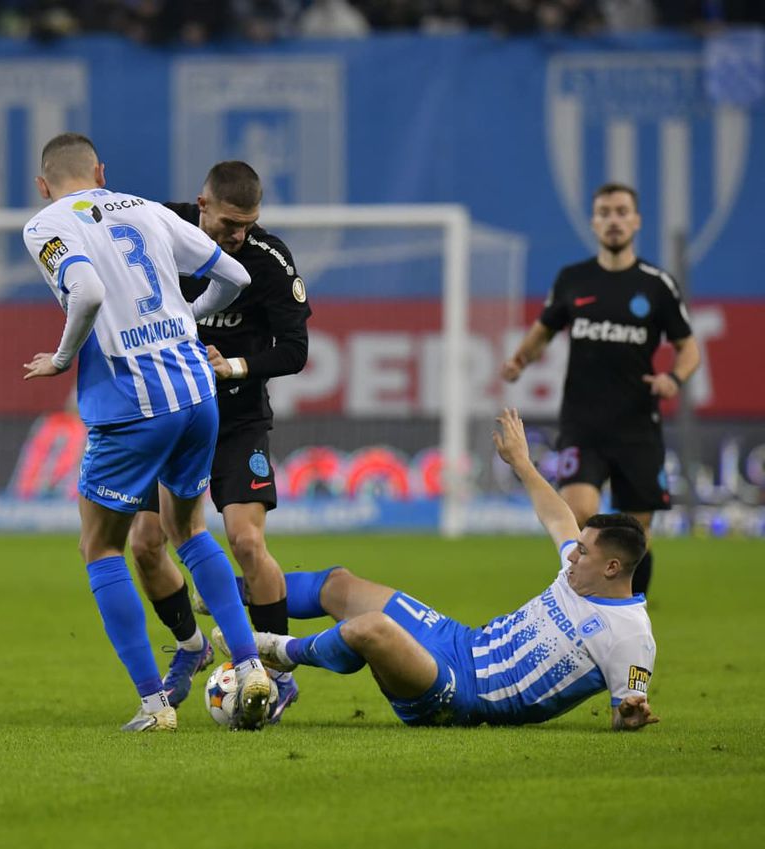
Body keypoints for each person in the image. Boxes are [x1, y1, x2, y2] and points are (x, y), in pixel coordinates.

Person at [21, 133, 273, 732]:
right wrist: (188, 317)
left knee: (100, 547)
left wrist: (62, 358)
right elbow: (235, 274)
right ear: (101, 172)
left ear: (43, 184)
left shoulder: (45, 225)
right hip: (197, 392)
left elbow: (86, 291)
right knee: (189, 530)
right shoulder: (146, 208)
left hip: (133, 406)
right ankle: (250, 666)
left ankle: (154, 706)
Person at [214, 408, 659, 731]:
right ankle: (230, 593)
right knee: (339, 585)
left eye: (583, 552)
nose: (572, 556)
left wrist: (630, 715)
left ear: (612, 567)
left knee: (372, 628)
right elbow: (559, 515)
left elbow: (628, 708)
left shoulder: (631, 635)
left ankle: (275, 653)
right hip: (461, 642)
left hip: (464, 696)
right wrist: (521, 462)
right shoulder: (579, 572)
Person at [127, 161, 310, 721]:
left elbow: (295, 350)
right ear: (201, 204)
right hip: (168, 415)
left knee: (247, 542)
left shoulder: (268, 259)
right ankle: (191, 646)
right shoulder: (159, 230)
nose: (239, 235)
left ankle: (276, 674)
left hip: (236, 421)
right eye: (230, 224)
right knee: (145, 544)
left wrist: (233, 366)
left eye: (248, 224)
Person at [501, 183, 700, 596]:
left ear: (636, 221)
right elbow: (543, 331)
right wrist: (520, 359)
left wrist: (674, 379)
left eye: (622, 211)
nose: (614, 220)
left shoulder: (657, 284)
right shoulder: (573, 280)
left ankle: (633, 605)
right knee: (579, 512)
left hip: (636, 425)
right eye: (605, 212)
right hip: (583, 422)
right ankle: (583, 602)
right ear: (593, 222)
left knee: (636, 529)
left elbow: (689, 349)